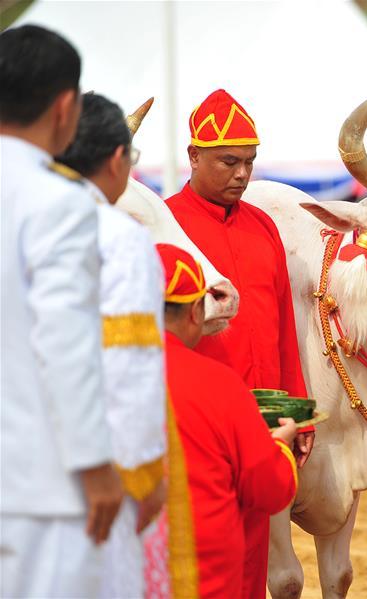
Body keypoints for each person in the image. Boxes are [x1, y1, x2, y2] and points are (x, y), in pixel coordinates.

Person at [164, 88, 312, 596]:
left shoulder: (263, 226)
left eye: (249, 162)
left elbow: (284, 329)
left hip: (261, 424)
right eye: (229, 162)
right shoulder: (167, 224)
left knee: (254, 557)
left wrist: (299, 409)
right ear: (193, 156)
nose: (243, 175)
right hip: (194, 428)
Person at [0, 25, 123, 598]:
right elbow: (65, 338)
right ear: (64, 107)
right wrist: (95, 463)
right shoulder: (57, 201)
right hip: (37, 486)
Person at [55, 92, 167, 598]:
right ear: (119, 158)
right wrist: (142, 475)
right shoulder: (120, 236)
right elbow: (129, 366)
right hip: (98, 472)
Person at [159, 242, 302, 598]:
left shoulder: (90, 377)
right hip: (205, 575)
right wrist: (281, 448)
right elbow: (269, 487)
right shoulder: (219, 384)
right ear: (196, 312)